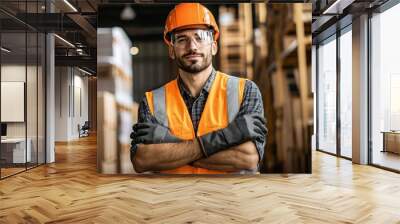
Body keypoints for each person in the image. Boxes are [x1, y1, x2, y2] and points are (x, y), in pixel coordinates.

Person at [130, 3, 267, 174]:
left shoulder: (245, 90)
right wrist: (226, 137)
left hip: (231, 198)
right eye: (182, 39)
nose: (192, 47)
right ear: (171, 51)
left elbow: (247, 158)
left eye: (200, 37)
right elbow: (143, 160)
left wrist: (168, 141)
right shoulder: (151, 101)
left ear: (214, 46)